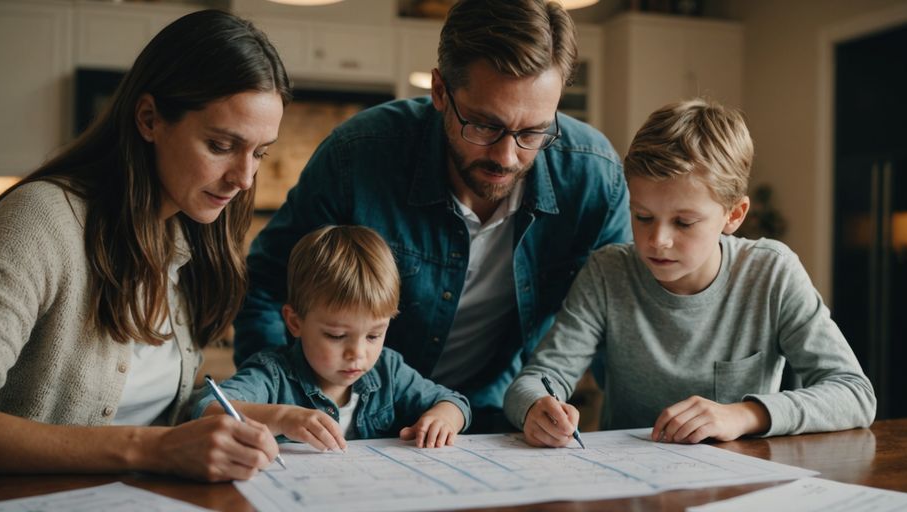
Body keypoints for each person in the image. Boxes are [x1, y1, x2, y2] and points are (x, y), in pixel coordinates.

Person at [0, 10, 291, 481]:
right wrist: (153, 449)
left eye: (259, 152)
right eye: (220, 145)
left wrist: (239, 415)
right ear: (149, 119)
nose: (244, 178)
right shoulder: (42, 221)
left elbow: (149, 410)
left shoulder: (190, 237)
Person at [236, 0, 631, 432]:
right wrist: (281, 403)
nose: (507, 156)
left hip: (498, 419)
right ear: (440, 92)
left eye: (533, 132)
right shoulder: (358, 156)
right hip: (357, 421)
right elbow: (269, 288)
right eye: (483, 125)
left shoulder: (593, 176)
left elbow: (618, 321)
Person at [504, 98, 877, 447]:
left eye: (684, 222)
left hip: (739, 485)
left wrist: (745, 414)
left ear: (734, 215)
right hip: (632, 485)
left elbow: (854, 394)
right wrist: (538, 406)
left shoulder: (772, 272)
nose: (657, 241)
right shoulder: (608, 271)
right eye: (643, 217)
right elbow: (535, 380)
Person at [196, 225, 471, 449]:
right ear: (295, 322)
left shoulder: (389, 371)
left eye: (374, 335)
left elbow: (453, 402)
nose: (358, 353)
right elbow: (205, 408)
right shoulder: (273, 374)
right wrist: (281, 417)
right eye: (337, 335)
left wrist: (442, 418)